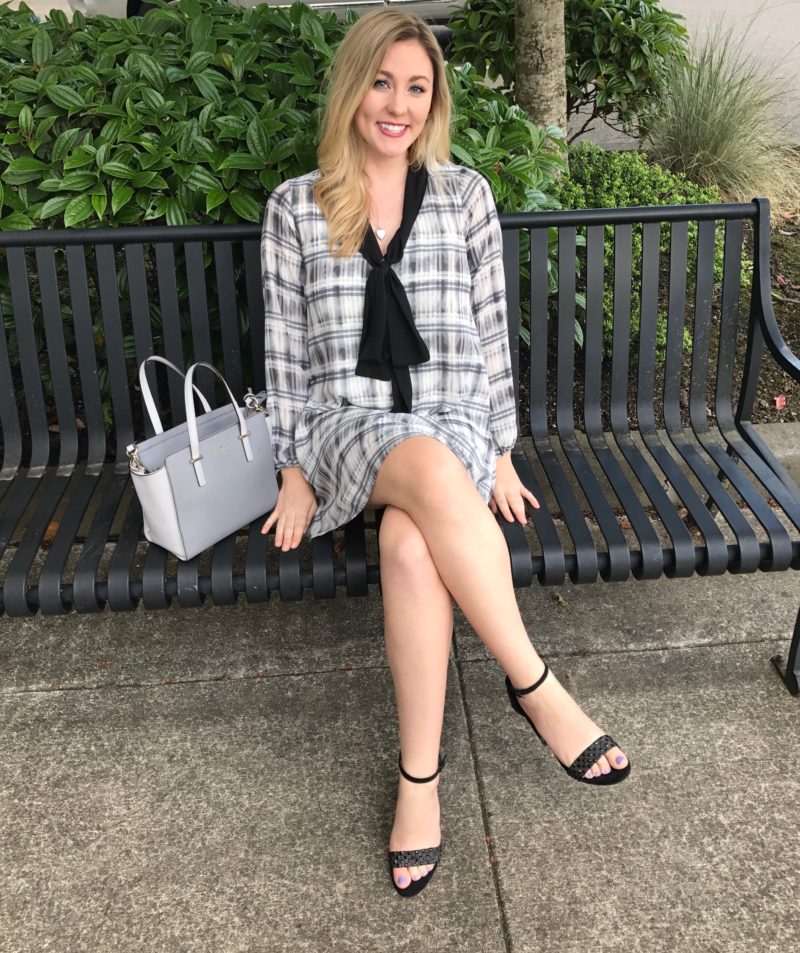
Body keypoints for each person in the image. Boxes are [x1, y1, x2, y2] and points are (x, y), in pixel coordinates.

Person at [259, 8, 631, 899]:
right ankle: (535, 685)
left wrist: (499, 447)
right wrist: (294, 467)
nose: (398, 104)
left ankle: (418, 782)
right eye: (382, 83)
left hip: (455, 419)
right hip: (352, 433)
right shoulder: (296, 207)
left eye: (416, 88)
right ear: (354, 88)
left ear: (434, 101)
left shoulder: (464, 195)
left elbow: (491, 333)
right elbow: (282, 350)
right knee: (418, 467)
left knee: (408, 544)